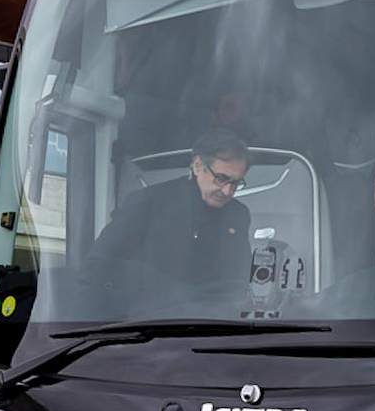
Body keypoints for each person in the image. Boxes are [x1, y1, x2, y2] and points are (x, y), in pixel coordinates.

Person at [84, 128, 251, 302]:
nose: (227, 191)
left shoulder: (238, 215)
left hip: (217, 322)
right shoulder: (148, 203)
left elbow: (240, 280)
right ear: (198, 166)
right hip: (152, 321)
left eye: (236, 182)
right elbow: (97, 268)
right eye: (221, 179)